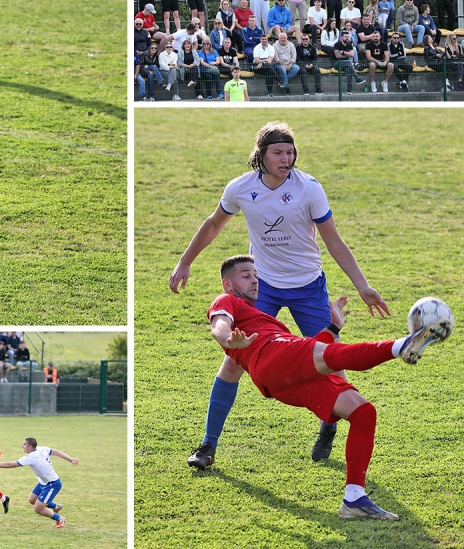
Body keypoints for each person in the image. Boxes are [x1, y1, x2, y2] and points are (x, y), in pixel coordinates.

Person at [169, 122, 390, 469]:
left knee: (331, 359)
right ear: (261, 155)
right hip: (263, 287)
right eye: (278, 153)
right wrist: (185, 261)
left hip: (308, 286)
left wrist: (363, 285)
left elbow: (333, 240)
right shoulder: (241, 189)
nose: (286, 159)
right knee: (233, 360)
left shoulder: (308, 188)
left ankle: (329, 424)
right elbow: (213, 224)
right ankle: (208, 445)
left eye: (290, 152)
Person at [204, 254, 451, 519]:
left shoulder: (262, 317)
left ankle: (354, 499)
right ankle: (401, 345)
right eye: (246, 276)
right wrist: (229, 340)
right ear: (228, 284)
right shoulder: (226, 300)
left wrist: (333, 327)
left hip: (284, 379)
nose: (254, 280)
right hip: (270, 358)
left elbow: (310, 354)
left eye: (255, 275)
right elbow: (219, 326)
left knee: (363, 412)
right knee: (334, 355)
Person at [0, 437, 78, 530]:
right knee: (32, 500)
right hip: (43, 482)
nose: (22, 446)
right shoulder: (41, 449)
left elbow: (10, 464)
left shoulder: (31, 457)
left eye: (24, 444)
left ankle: (59, 518)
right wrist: (71, 459)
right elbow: (57, 452)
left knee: (38, 508)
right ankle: (56, 506)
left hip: (52, 484)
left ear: (30, 447)